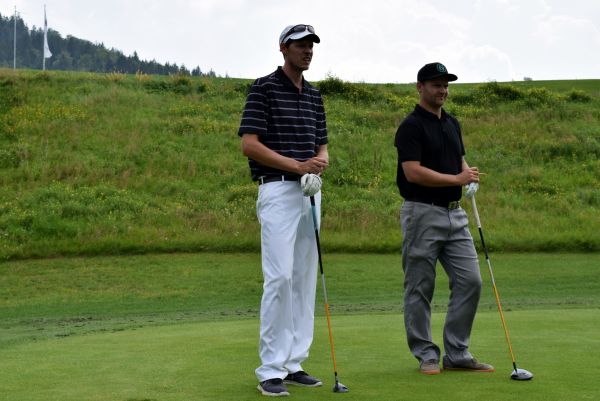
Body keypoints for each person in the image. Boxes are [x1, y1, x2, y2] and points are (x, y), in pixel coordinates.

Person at [237, 24, 329, 396]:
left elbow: (322, 145)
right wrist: (297, 165)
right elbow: (250, 144)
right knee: (279, 278)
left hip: (310, 191)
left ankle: (293, 363)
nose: (307, 51)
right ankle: (270, 370)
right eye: (300, 45)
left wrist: (319, 163)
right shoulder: (263, 88)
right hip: (277, 189)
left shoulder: (315, 95)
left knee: (304, 279)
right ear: (283, 48)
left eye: (311, 45)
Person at [394, 62, 494, 375]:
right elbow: (413, 172)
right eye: (436, 85)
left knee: (470, 281)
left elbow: (458, 158)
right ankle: (426, 354)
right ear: (420, 87)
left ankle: (457, 353)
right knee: (420, 286)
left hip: (455, 214)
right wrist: (457, 180)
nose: (443, 90)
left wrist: (468, 174)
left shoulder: (452, 123)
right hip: (421, 213)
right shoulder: (411, 126)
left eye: (446, 85)